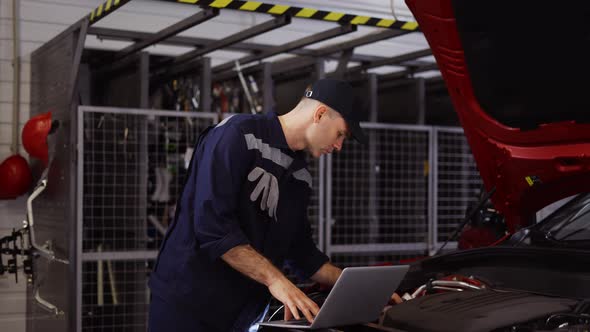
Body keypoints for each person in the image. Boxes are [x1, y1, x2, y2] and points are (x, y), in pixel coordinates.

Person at [148, 78, 368, 332]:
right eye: (341, 134)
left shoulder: (300, 175)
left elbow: (302, 253)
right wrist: (276, 280)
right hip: (187, 304)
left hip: (239, 315)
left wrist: (360, 289)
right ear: (320, 114)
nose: (339, 146)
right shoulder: (238, 134)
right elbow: (213, 228)